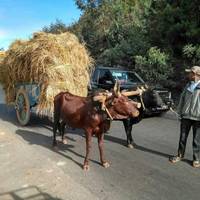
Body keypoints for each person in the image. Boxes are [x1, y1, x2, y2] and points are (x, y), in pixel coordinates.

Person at [169, 66, 200, 168]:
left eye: (189, 73)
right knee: (182, 137)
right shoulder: (188, 86)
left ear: (195, 74)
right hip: (186, 116)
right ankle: (180, 155)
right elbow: (182, 99)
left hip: (198, 117)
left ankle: (196, 159)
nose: (188, 75)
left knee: (196, 140)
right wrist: (179, 112)